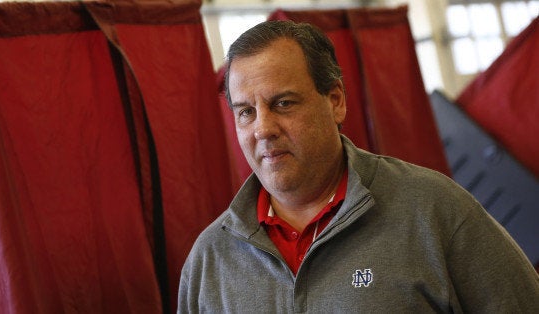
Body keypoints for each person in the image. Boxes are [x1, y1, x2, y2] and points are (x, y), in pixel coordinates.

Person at [178, 20, 539, 313]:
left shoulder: (435, 210)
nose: (264, 129)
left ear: (335, 100)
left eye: (283, 103)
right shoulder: (210, 260)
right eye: (246, 112)